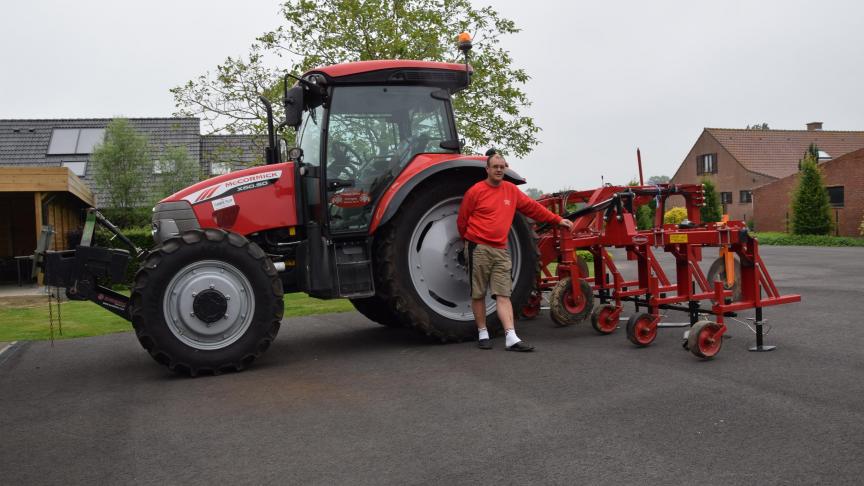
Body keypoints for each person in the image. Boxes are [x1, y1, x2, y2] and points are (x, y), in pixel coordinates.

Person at [457, 148, 574, 351]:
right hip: (479, 248)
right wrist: (468, 242)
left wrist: (557, 220)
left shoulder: (511, 191)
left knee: (503, 294)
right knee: (478, 293)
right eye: (495, 167)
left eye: (502, 167)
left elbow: (533, 208)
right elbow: (462, 220)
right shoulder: (475, 191)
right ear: (487, 169)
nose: (499, 170)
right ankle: (482, 332)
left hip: (501, 250)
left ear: (506, 168)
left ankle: (511, 337)